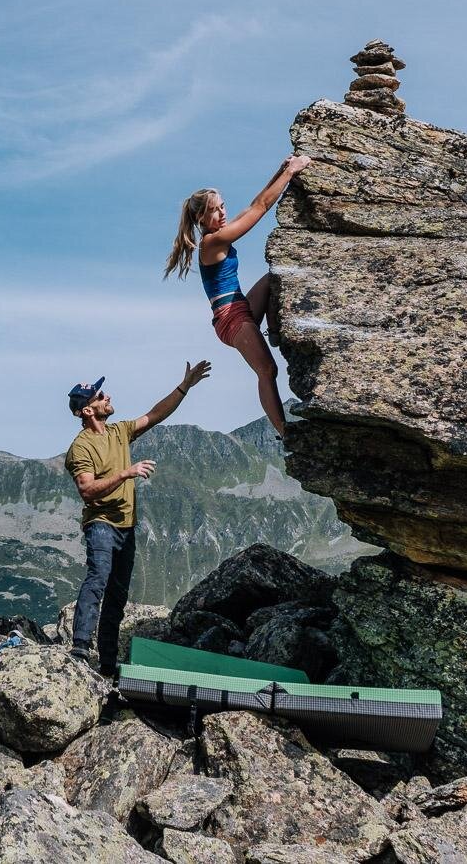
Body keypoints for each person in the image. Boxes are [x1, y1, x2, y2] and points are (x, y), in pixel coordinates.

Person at [64, 364, 210, 675]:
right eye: (101, 396)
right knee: (98, 577)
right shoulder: (81, 448)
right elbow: (87, 491)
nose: (107, 397)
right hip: (101, 523)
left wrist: (184, 386)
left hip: (126, 526)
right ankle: (80, 647)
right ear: (87, 410)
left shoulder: (119, 432)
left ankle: (107, 663)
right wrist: (125, 473)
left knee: (117, 595)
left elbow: (155, 415)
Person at [163, 154, 313, 438]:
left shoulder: (218, 232)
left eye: (222, 206)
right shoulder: (212, 241)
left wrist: (280, 171)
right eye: (214, 211)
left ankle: (274, 332)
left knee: (273, 278)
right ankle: (285, 432)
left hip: (240, 306)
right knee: (267, 370)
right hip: (230, 319)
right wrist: (291, 172)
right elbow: (262, 207)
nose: (222, 213)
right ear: (200, 218)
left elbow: (255, 202)